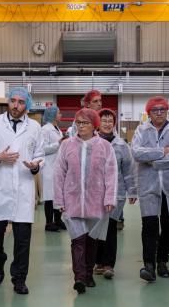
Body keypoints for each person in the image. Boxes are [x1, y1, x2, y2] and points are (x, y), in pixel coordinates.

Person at [0, 87, 44, 295]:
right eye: (12, 101)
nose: (15, 105)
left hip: (23, 187)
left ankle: (19, 279)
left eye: (21, 102)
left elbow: (40, 154)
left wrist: (36, 166)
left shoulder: (34, 127)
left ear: (27, 105)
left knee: (23, 239)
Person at [53, 108, 117, 294]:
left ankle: (88, 274)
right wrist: (59, 200)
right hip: (72, 200)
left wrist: (110, 197)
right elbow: (58, 173)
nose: (80, 126)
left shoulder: (105, 146)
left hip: (96, 201)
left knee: (91, 241)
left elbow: (111, 174)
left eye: (85, 122)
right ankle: (79, 277)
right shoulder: (67, 145)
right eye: (78, 122)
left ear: (94, 125)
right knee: (78, 240)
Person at [131, 96, 169, 282]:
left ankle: (162, 261)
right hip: (148, 185)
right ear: (149, 113)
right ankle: (149, 265)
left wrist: (152, 162)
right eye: (155, 110)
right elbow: (137, 153)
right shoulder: (141, 130)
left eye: (163, 109)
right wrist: (162, 152)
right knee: (149, 226)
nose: (160, 112)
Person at [94, 109, 137, 279]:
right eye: (103, 120)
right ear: (98, 123)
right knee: (96, 228)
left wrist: (132, 190)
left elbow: (128, 170)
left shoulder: (121, 145)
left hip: (116, 193)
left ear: (114, 123)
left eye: (110, 120)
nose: (107, 123)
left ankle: (108, 264)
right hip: (95, 193)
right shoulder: (92, 142)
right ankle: (98, 261)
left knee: (110, 228)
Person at [40, 106, 67, 232]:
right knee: (49, 197)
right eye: (59, 113)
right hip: (49, 167)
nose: (61, 115)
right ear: (53, 115)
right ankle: (48, 223)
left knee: (58, 195)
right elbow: (42, 149)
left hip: (58, 166)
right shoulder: (45, 130)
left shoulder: (56, 129)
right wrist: (58, 144)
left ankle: (58, 220)